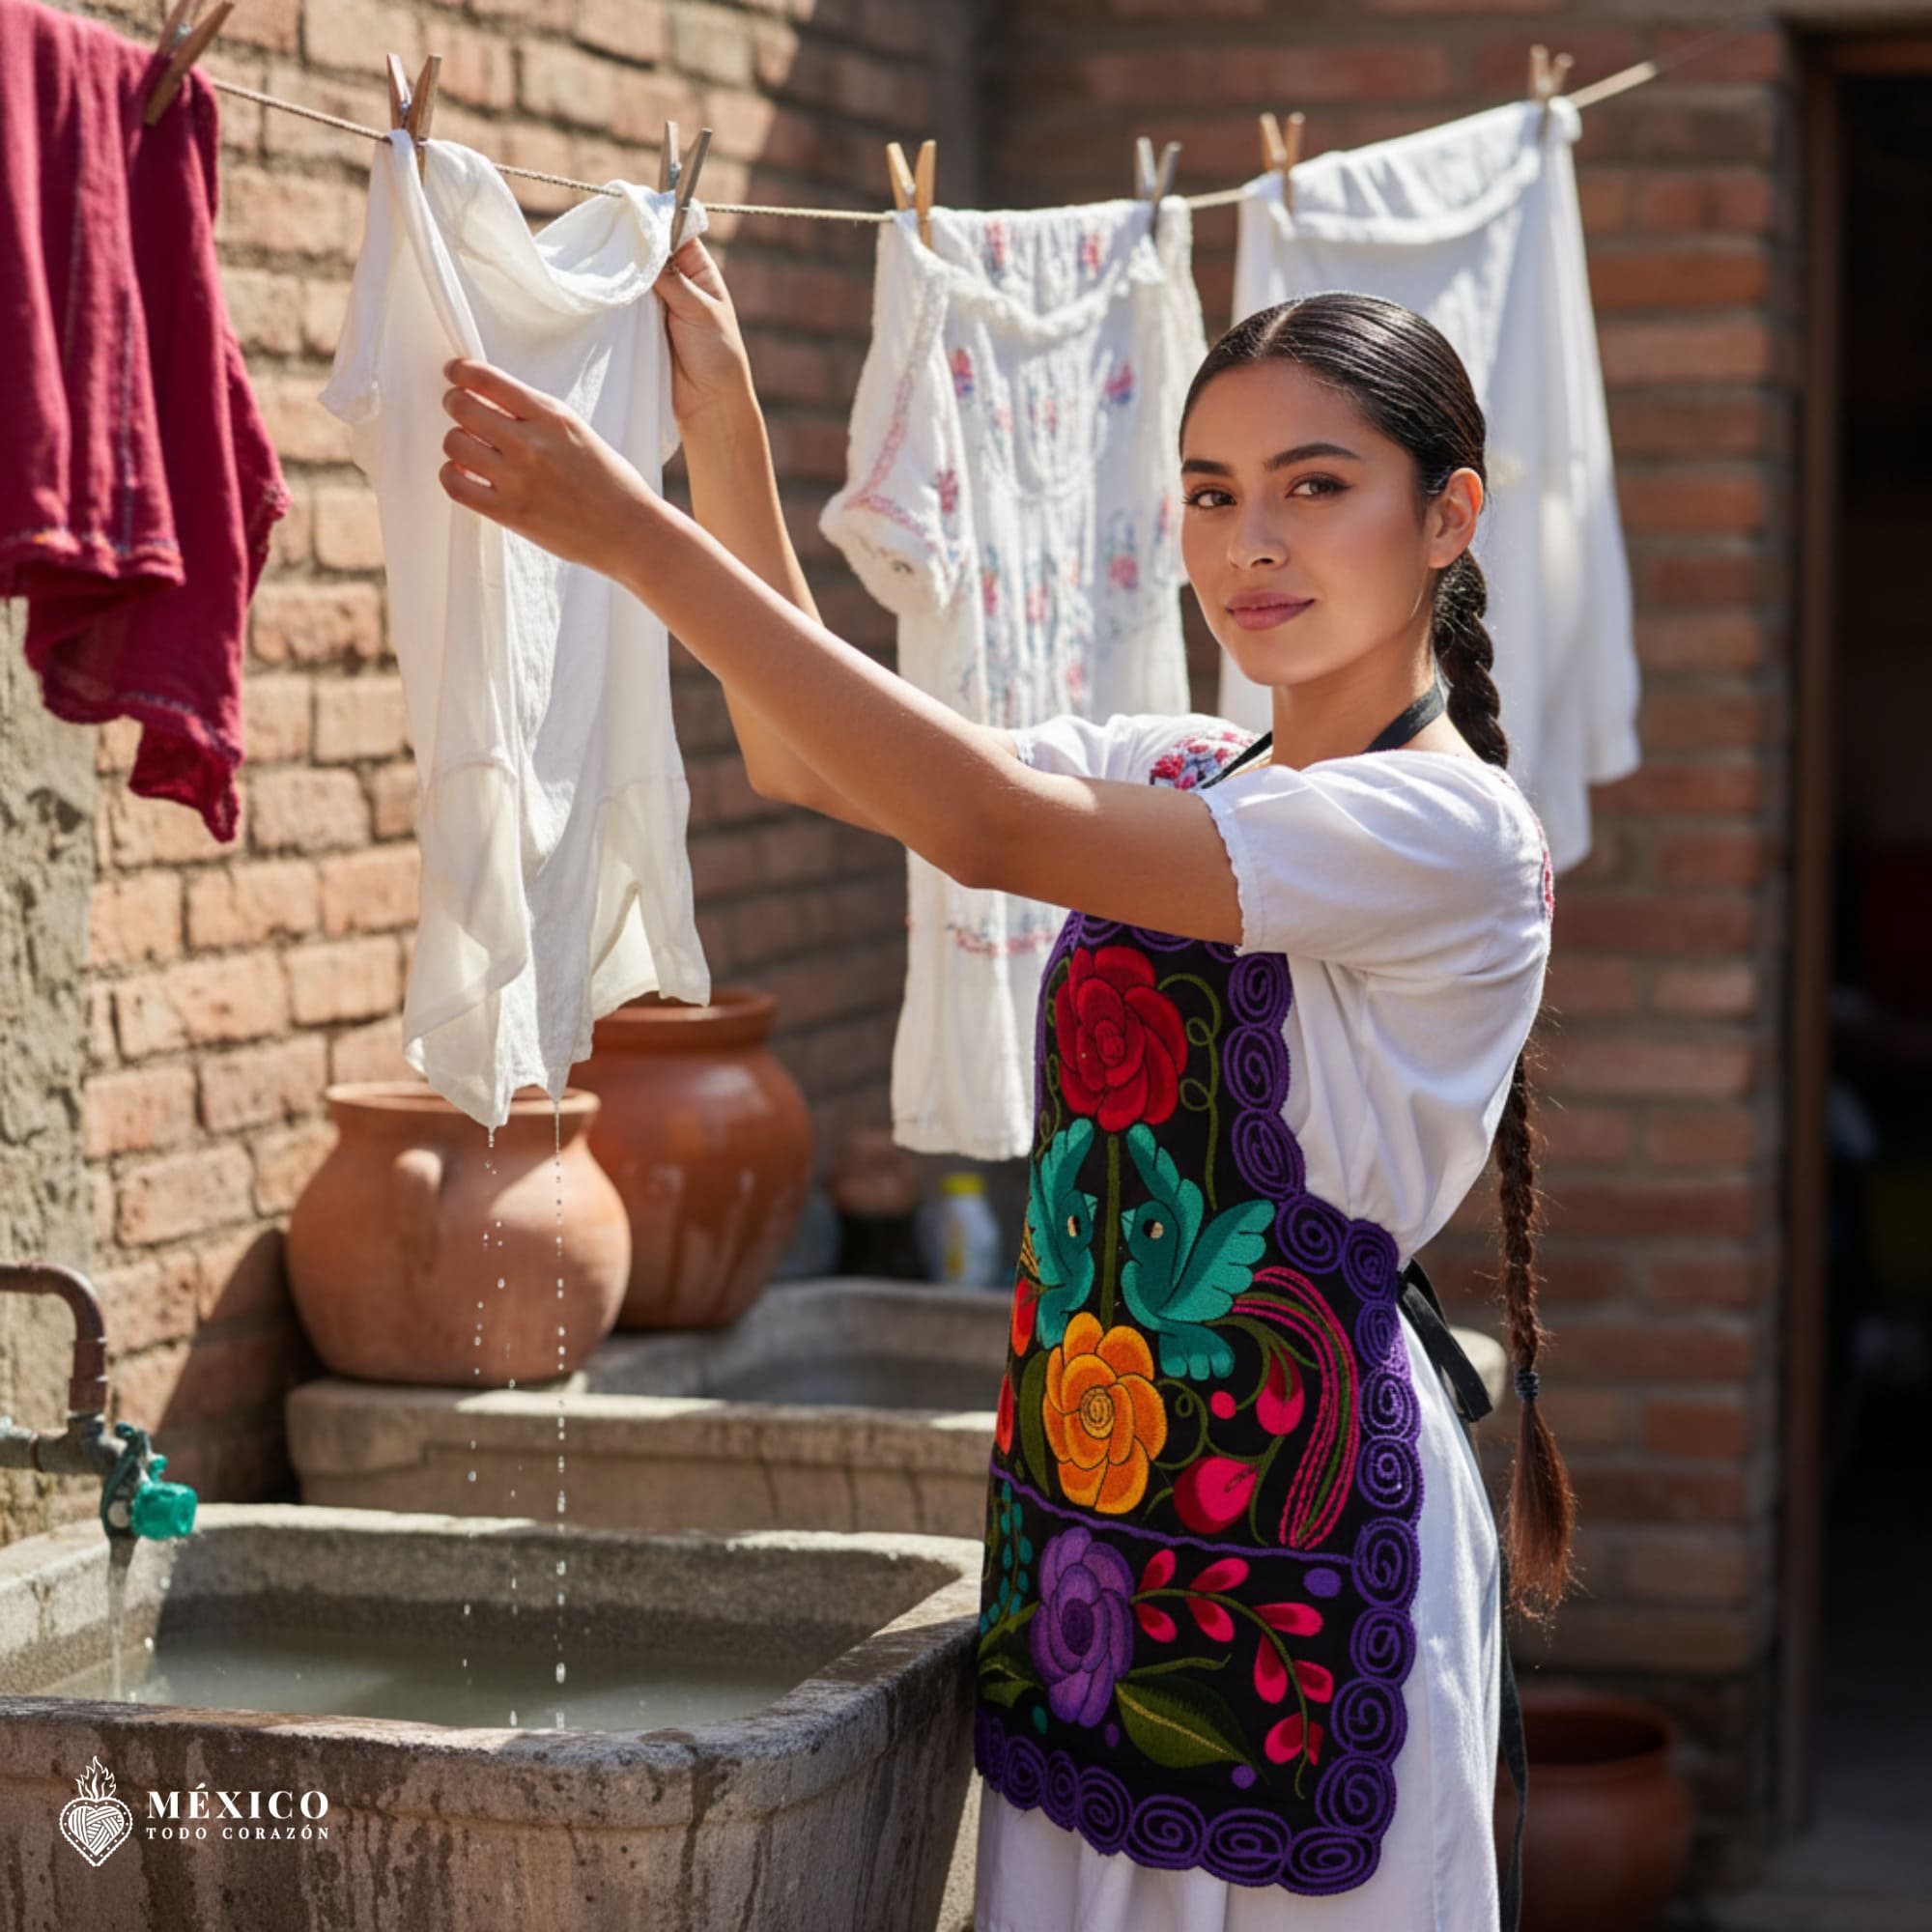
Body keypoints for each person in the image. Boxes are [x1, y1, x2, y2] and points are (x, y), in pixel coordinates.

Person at [438, 239, 1576, 1930]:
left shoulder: (1450, 831)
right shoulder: (1181, 765)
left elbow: (984, 823)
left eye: (1315, 486)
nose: (1249, 541)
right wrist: (727, 439)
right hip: (1098, 1528)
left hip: (1308, 1556)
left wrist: (628, 531)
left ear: (1450, 515)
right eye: (1209, 492)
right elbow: (811, 754)